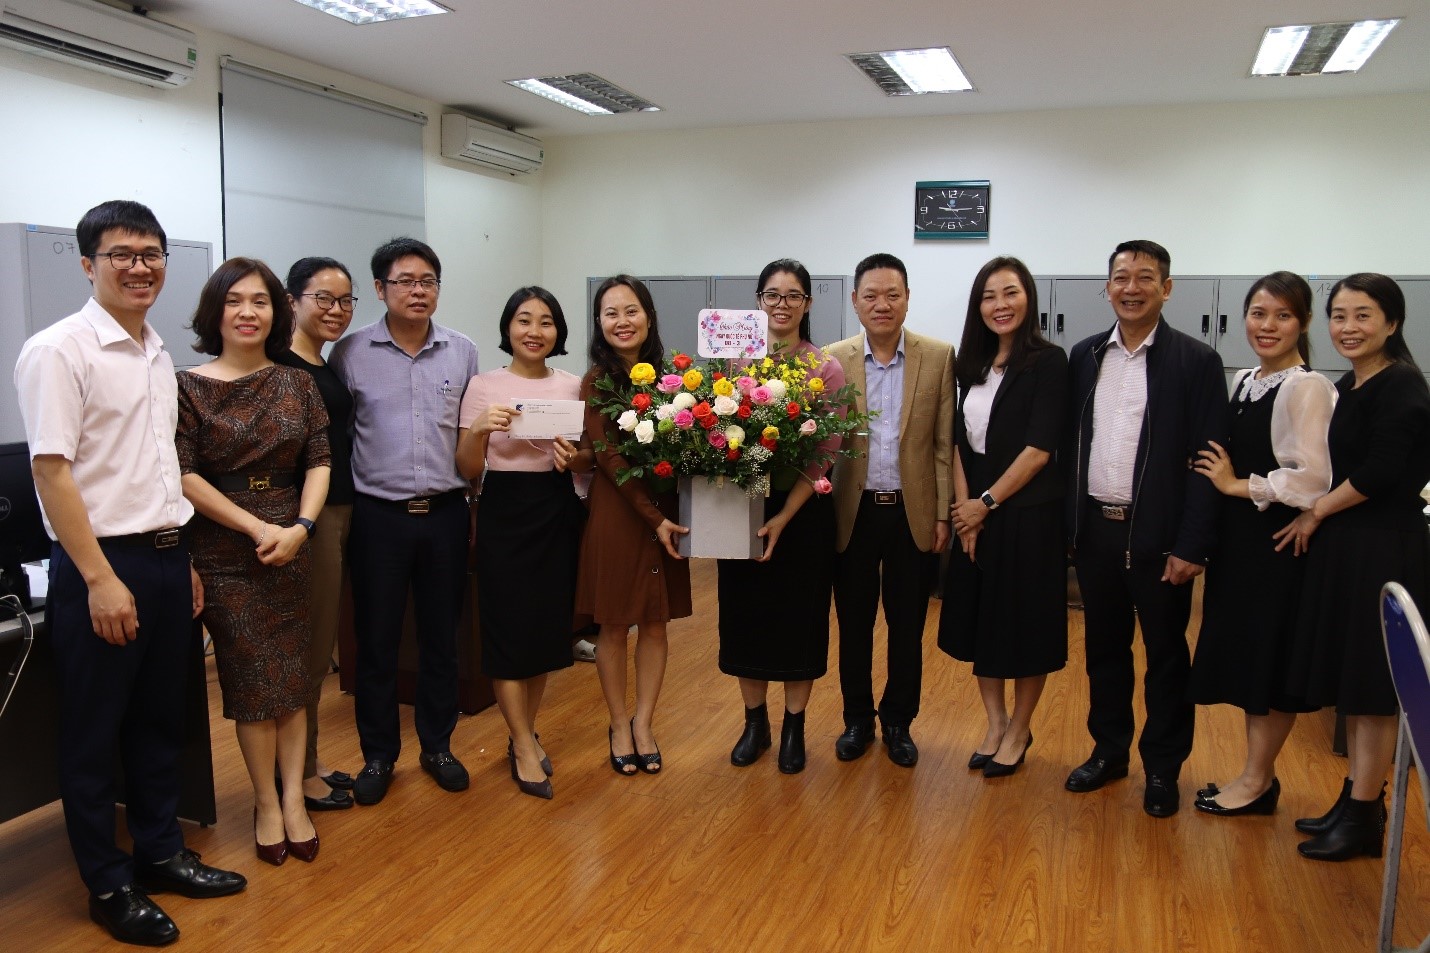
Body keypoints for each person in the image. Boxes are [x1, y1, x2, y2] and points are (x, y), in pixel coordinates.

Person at [14, 200, 245, 946]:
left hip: (165, 558)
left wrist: (181, 558)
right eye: (122, 254)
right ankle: (108, 884)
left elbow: (156, 467)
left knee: (159, 721)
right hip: (102, 563)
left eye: (151, 254)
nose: (139, 267)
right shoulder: (60, 350)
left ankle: (161, 852)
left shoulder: (154, 352)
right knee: (94, 735)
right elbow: (52, 472)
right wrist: (99, 578)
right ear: (88, 264)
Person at [176, 258, 332, 866]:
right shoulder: (186, 386)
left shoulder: (298, 383)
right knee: (250, 680)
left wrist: (301, 528)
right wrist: (257, 527)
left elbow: (319, 460)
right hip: (224, 547)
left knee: (291, 680)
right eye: (234, 301)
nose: (248, 312)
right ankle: (265, 803)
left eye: (260, 301)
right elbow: (184, 474)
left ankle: (293, 798)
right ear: (214, 312)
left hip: (291, 540)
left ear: (277, 311)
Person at [1065, 239, 1227, 817]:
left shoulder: (1195, 361)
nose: (1131, 288)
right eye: (1121, 277)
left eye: (1144, 277)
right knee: (1104, 651)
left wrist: (1193, 545)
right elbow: (1069, 445)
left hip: (1160, 538)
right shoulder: (1085, 355)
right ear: (1107, 286)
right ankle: (1109, 752)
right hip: (1097, 531)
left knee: (1165, 657)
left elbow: (1209, 462)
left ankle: (1162, 766)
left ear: (1167, 287)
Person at [1277, 274, 1430, 860]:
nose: (1348, 327)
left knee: (1372, 687)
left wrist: (1316, 510)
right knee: (1356, 683)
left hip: (1384, 549)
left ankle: (1365, 814)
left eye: (1363, 315)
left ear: (1392, 322)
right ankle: (1355, 802)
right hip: (1353, 545)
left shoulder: (1402, 384)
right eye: (1339, 315)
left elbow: (1380, 472)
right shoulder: (1352, 383)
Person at [329, 237, 480, 805]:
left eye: (428, 281)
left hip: (444, 514)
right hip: (378, 519)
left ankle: (437, 746)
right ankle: (378, 754)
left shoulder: (462, 352)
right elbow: (341, 437)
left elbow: (471, 434)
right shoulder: (350, 353)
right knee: (377, 640)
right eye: (405, 281)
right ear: (379, 288)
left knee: (442, 638)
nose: (419, 291)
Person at [1188, 272, 1335, 816]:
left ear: (1304, 323)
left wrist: (1235, 484)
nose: (1267, 325)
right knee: (1251, 660)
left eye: (1283, 315)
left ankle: (1255, 782)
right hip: (1241, 546)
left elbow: (1313, 477)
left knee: (1270, 664)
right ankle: (1257, 776)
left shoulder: (1307, 387)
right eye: (1258, 313)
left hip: (1276, 546)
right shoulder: (1247, 379)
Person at [456, 287, 591, 799]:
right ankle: (521, 743)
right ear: (508, 328)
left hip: (556, 509)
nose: (535, 331)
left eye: (546, 321)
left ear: (558, 331)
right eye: (524, 320)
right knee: (508, 632)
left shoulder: (572, 385)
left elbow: (586, 459)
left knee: (541, 634)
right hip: (504, 511)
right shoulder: (483, 385)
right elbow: (467, 468)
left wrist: (572, 458)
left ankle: (524, 734)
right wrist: (478, 432)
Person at [937, 257, 1067, 778]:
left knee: (1026, 626)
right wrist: (966, 514)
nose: (1000, 305)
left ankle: (1020, 728)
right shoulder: (970, 365)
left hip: (1028, 516)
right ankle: (995, 723)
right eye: (989, 296)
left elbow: (1039, 450)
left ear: (1028, 298)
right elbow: (956, 443)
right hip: (977, 513)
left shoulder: (1048, 362)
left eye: (1010, 292)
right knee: (981, 621)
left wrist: (984, 504)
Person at [826, 253, 955, 767]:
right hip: (852, 512)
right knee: (853, 624)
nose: (882, 304)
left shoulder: (938, 357)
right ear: (855, 301)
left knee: (907, 627)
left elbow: (942, 444)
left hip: (911, 512)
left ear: (907, 298)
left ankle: (899, 722)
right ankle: (856, 720)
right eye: (871, 295)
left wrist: (942, 513)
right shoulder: (833, 360)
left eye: (892, 295)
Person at [718, 259, 846, 774]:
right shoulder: (734, 364)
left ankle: (795, 727)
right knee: (745, 616)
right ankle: (755, 724)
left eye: (793, 296)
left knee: (800, 619)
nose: (782, 305)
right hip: (746, 503)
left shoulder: (825, 368)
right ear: (758, 301)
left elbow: (825, 454)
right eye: (772, 295)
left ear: (808, 304)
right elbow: (720, 441)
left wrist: (784, 516)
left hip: (802, 509)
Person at [575, 275, 692, 776]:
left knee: (655, 621)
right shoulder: (597, 382)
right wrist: (655, 518)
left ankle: (644, 723)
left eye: (631, 311)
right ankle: (619, 724)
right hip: (619, 514)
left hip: (667, 511)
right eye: (611, 313)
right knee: (615, 623)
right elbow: (608, 457)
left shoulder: (674, 378)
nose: (622, 321)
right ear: (599, 323)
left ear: (649, 316)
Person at [277, 256, 359, 812]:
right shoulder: (282, 366)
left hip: (342, 509)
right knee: (309, 644)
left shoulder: (322, 362)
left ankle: (309, 759)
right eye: (323, 299)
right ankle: (299, 773)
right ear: (292, 301)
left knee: (322, 636)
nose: (336, 310)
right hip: (313, 517)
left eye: (345, 301)